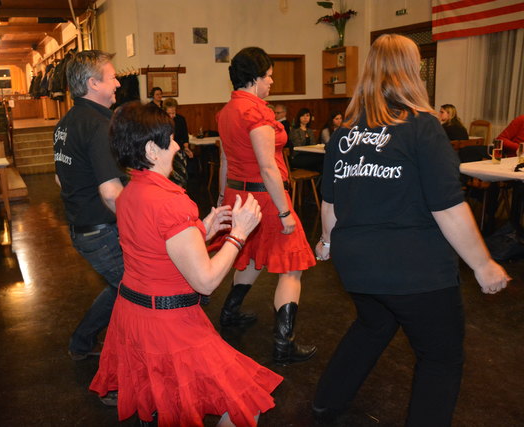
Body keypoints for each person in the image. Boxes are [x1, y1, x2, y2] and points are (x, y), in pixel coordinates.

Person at [312, 34, 510, 426]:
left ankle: (325, 402)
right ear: (412, 71)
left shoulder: (344, 133)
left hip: (358, 266)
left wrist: (327, 242)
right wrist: (483, 264)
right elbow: (448, 207)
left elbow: (330, 203)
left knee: (374, 323)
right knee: (440, 357)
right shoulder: (423, 127)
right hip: (414, 269)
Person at [90, 102, 282, 427]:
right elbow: (205, 282)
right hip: (169, 325)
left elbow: (156, 247)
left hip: (134, 317)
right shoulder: (171, 202)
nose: (178, 145)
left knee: (164, 402)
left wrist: (201, 229)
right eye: (170, 139)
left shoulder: (129, 193)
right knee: (245, 404)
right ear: (152, 150)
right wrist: (239, 234)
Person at [216, 47, 317, 365]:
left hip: (239, 196)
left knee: (250, 256)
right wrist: (285, 211)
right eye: (269, 76)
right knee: (292, 267)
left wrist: (221, 199)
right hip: (265, 198)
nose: (271, 82)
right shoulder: (256, 112)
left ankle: (229, 312)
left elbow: (225, 161)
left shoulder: (226, 111)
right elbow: (268, 167)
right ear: (254, 78)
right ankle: (284, 344)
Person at [54, 50, 125, 362]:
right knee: (137, 289)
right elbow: (111, 193)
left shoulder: (65, 123)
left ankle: (83, 342)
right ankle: (116, 361)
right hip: (102, 231)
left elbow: (60, 179)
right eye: (112, 77)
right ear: (94, 83)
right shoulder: (99, 125)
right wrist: (140, 223)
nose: (118, 83)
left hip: (84, 227)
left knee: (124, 286)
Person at [163, 97, 192, 188]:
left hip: (179, 151)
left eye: (174, 112)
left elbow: (185, 136)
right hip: (165, 153)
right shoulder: (161, 121)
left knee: (181, 178)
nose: (172, 115)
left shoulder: (180, 119)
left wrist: (186, 148)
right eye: (169, 113)